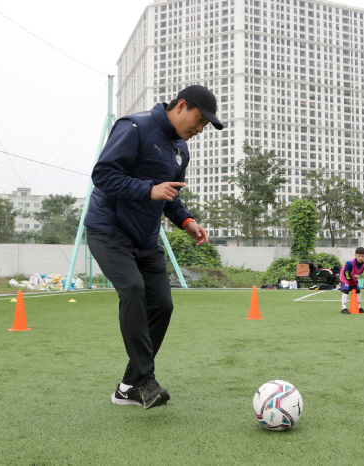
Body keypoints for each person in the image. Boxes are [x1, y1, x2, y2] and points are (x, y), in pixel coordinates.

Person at [84, 85, 222, 409]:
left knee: (162, 305)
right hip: (109, 231)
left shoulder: (180, 151)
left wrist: (187, 221)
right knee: (132, 288)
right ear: (181, 106)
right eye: (199, 120)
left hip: (146, 240)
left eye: (204, 126)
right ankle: (146, 380)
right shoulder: (134, 126)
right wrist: (149, 190)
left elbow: (169, 196)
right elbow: (103, 175)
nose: (199, 130)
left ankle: (128, 386)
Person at [340, 247, 364, 314]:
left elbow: (358, 274)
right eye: (359, 256)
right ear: (355, 256)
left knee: (358, 290)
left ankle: (359, 307)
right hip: (345, 278)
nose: (360, 258)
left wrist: (355, 282)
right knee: (346, 290)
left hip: (353, 279)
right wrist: (351, 282)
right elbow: (346, 273)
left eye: (362, 256)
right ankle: (344, 308)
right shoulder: (350, 263)